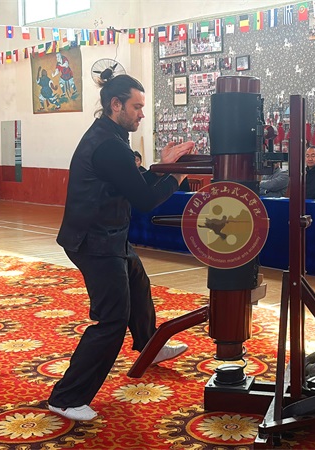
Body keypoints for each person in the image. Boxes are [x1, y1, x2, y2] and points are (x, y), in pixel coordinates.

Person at [48, 74, 194, 422]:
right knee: (111, 318)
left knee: (138, 285)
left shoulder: (111, 136)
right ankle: (66, 398)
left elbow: (134, 182)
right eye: (137, 107)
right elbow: (144, 199)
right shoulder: (108, 145)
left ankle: (149, 346)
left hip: (109, 235)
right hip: (93, 241)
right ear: (117, 105)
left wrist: (163, 163)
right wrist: (175, 175)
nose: (141, 114)